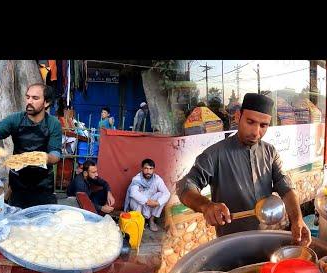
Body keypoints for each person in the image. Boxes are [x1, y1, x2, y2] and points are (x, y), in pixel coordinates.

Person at [175, 92, 311, 245]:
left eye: (263, 125)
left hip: (268, 239)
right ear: (238, 116)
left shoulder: (270, 152)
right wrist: (206, 205)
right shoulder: (215, 154)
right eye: (250, 122)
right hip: (231, 244)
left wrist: (297, 220)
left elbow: (286, 188)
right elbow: (185, 186)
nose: (256, 132)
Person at [0, 83, 63, 208]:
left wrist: (43, 157)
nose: (29, 101)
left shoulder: (53, 124)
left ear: (46, 103)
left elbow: (55, 154)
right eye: (28, 97)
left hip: (43, 185)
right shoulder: (16, 119)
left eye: (35, 98)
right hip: (18, 185)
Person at [123, 158, 170, 232]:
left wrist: (157, 203)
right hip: (140, 204)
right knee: (134, 198)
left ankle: (151, 220)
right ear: (142, 169)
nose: (148, 171)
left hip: (150, 204)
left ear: (153, 170)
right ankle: (140, 221)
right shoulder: (137, 179)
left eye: (151, 169)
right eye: (146, 168)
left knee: (162, 195)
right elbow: (133, 192)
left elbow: (167, 193)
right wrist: (147, 201)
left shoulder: (157, 179)